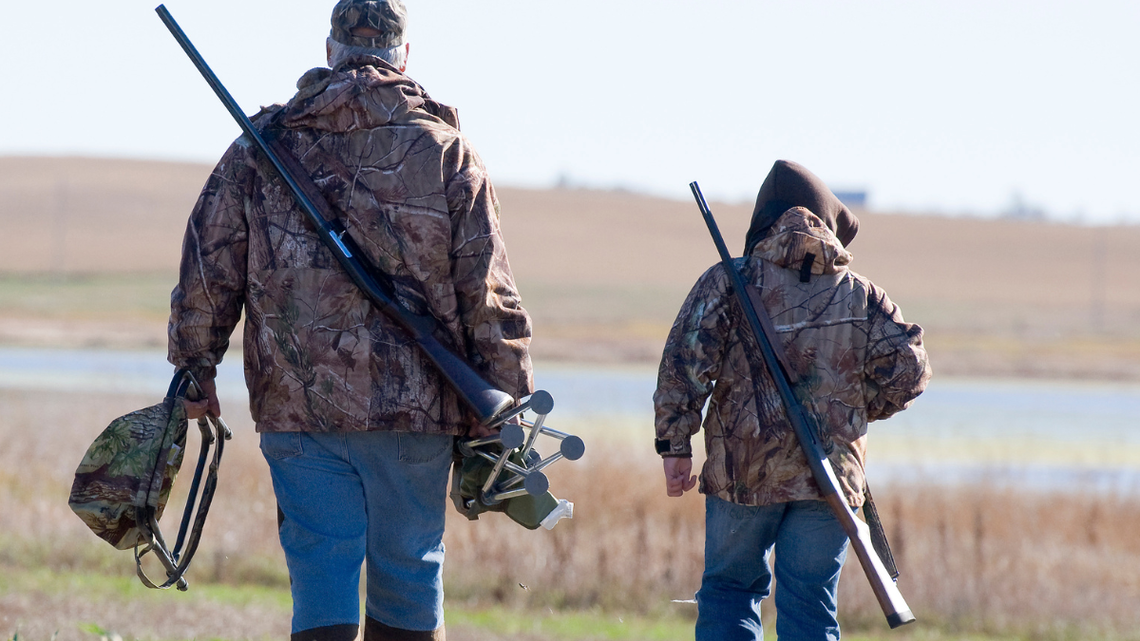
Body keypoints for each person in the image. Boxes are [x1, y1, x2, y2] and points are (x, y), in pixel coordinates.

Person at [168, 1, 534, 639]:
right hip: (416, 411)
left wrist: (195, 371)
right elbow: (489, 294)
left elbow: (208, 267)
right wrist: (507, 401)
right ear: (404, 53)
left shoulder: (263, 145)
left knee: (322, 577)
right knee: (409, 577)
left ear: (331, 48)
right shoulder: (446, 152)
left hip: (297, 407)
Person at [653, 160, 931, 640]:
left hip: (744, 475)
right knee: (811, 609)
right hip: (830, 483)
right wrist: (853, 409)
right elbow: (911, 371)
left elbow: (683, 366)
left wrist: (675, 446)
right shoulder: (862, 297)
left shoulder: (728, 280)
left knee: (730, 594)